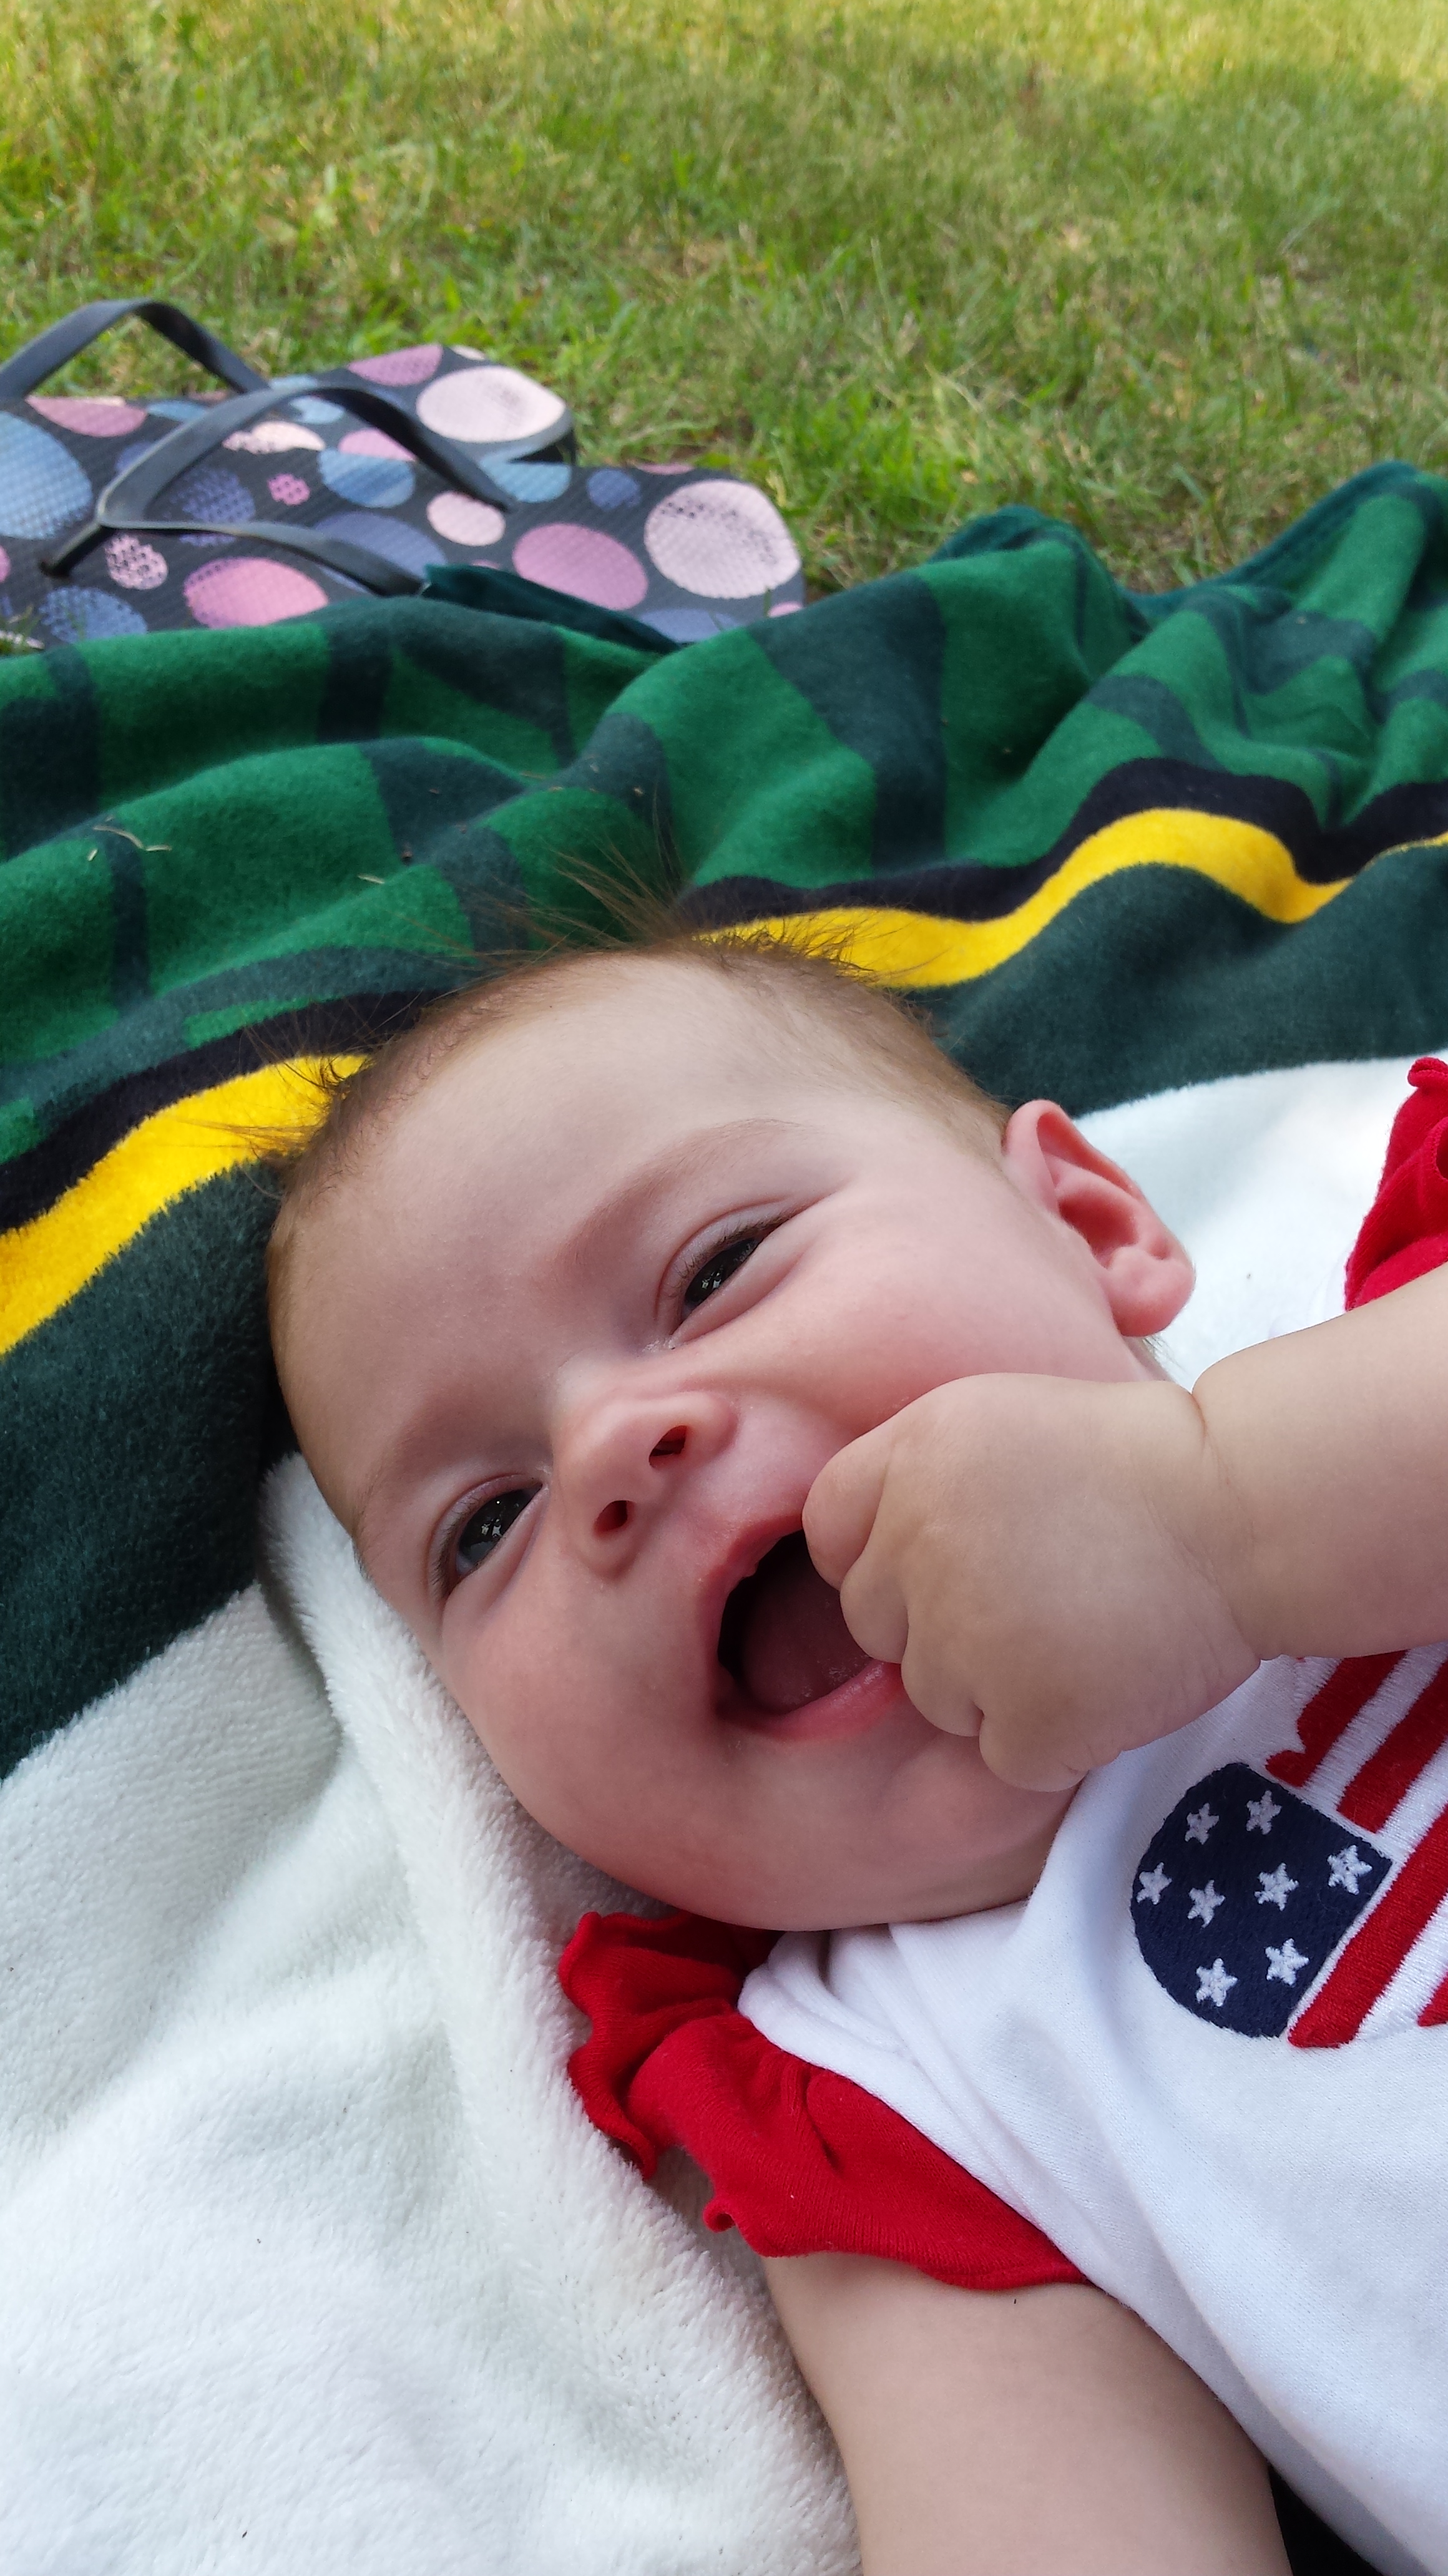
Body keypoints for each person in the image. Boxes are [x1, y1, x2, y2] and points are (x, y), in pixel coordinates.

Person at [269, 927, 1448, 2576]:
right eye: (484, 1526)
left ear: (1091, 1226)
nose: (609, 1451)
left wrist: (1226, 1508)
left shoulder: (1388, 1336)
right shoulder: (884, 2097)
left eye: (714, 1272)